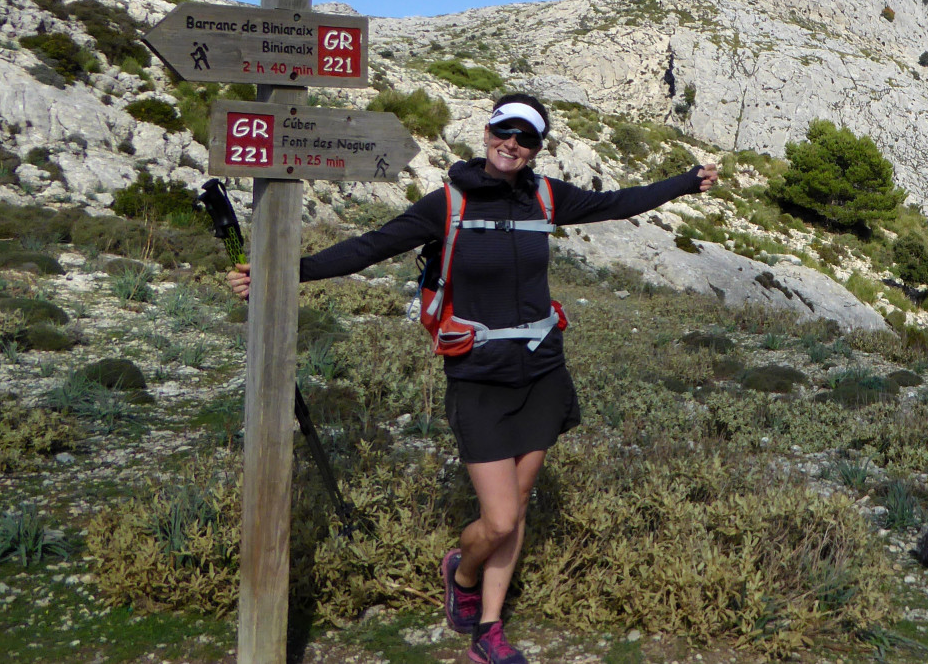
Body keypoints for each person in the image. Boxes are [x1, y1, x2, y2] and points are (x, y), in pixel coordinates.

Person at [227, 93, 718, 664]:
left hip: (541, 369)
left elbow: (618, 202)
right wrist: (282, 273)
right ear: (486, 133)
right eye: (504, 131)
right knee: (500, 518)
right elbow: (370, 246)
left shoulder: (546, 195)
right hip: (478, 375)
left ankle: (489, 629)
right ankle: (461, 574)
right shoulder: (447, 204)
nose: (512, 144)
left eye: (526, 137)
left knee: (522, 503)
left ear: (537, 148)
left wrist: (686, 181)